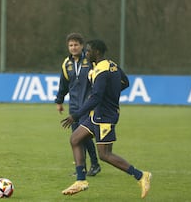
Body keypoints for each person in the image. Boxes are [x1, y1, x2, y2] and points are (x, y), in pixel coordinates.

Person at [60, 39, 151, 198]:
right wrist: (111, 92)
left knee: (105, 154)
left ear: (97, 52)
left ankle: (141, 175)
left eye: (88, 51)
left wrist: (75, 115)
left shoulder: (101, 71)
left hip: (105, 117)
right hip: (96, 115)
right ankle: (81, 181)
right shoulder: (111, 65)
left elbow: (95, 98)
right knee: (75, 139)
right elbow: (125, 82)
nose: (86, 54)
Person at [55, 33, 101, 176]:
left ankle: (95, 164)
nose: (73, 47)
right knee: (76, 137)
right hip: (73, 106)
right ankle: (81, 168)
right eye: (71, 45)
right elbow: (63, 84)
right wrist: (59, 101)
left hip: (87, 106)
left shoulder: (90, 61)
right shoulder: (66, 64)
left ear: (82, 46)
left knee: (84, 136)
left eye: (76, 45)